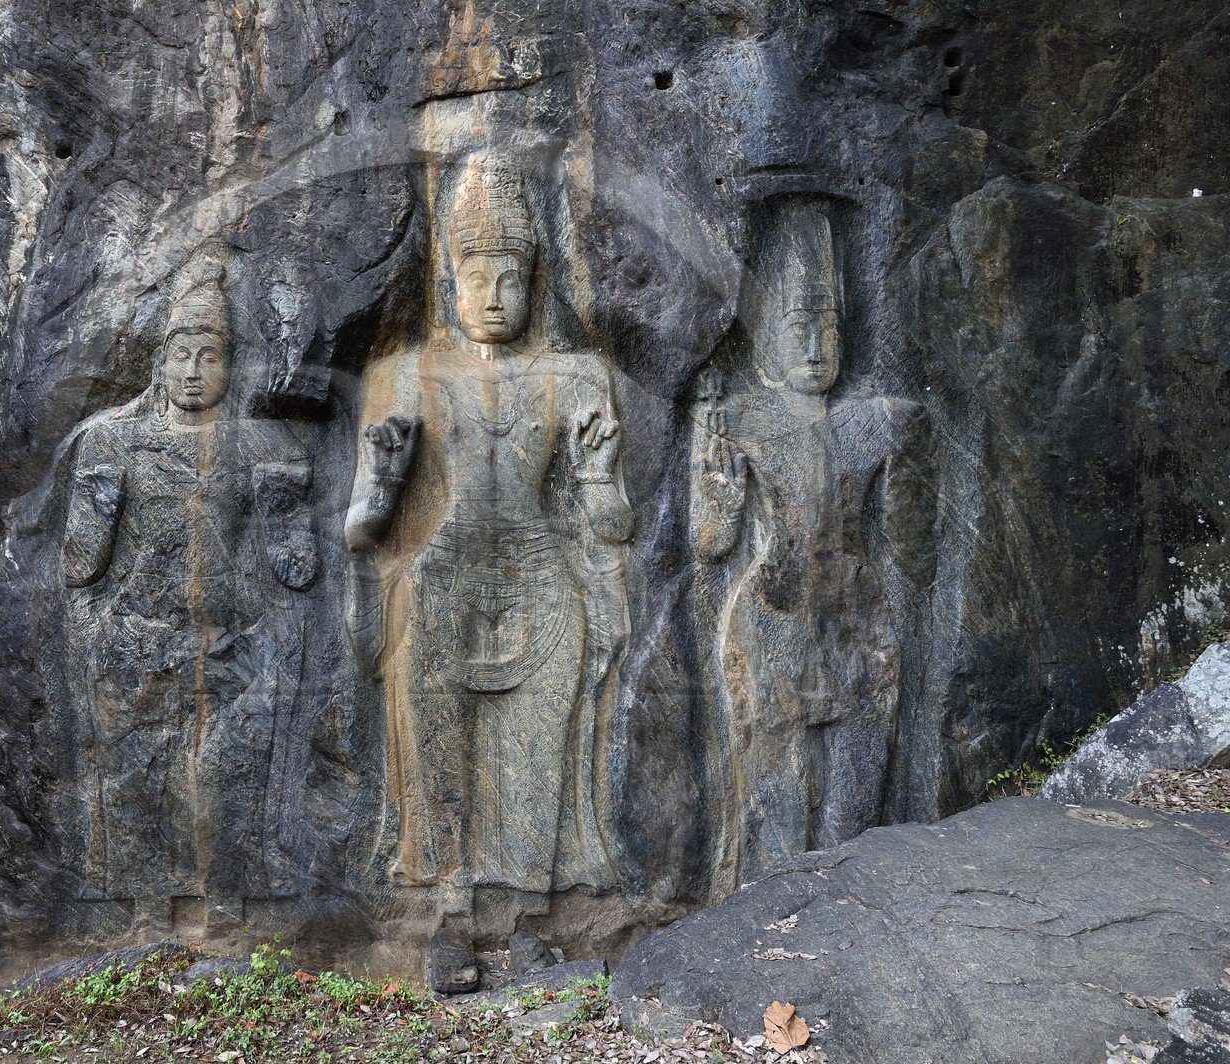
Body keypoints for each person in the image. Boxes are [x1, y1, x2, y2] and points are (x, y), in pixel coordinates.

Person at [344, 153, 633, 916]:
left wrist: (597, 476)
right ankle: (449, 907)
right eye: (477, 278)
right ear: (450, 282)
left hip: (543, 587)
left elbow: (614, 527)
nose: (495, 296)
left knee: (536, 761)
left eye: (510, 278)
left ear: (534, 280)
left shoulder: (577, 378)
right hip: (442, 583)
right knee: (442, 760)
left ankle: (532, 908)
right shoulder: (405, 377)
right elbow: (359, 532)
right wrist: (383, 487)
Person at [690, 205, 935, 895]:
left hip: (859, 626)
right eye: (796, 325)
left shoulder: (875, 421)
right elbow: (711, 543)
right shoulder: (741, 420)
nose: (814, 344)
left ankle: (851, 914)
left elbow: (915, 552)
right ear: (765, 335)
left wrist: (912, 472)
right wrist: (719, 483)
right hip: (772, 626)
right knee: (777, 815)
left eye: (826, 324)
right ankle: (768, 917)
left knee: (856, 813)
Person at [62, 261, 317, 917]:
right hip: (137, 645)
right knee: (140, 783)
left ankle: (232, 909)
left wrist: (286, 502)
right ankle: (147, 917)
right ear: (159, 364)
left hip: (229, 648)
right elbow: (80, 566)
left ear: (231, 366)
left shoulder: (261, 444)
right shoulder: (113, 442)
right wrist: (99, 498)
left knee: (228, 780)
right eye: (181, 356)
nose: (195, 371)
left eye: (210, 357)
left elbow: (296, 569)